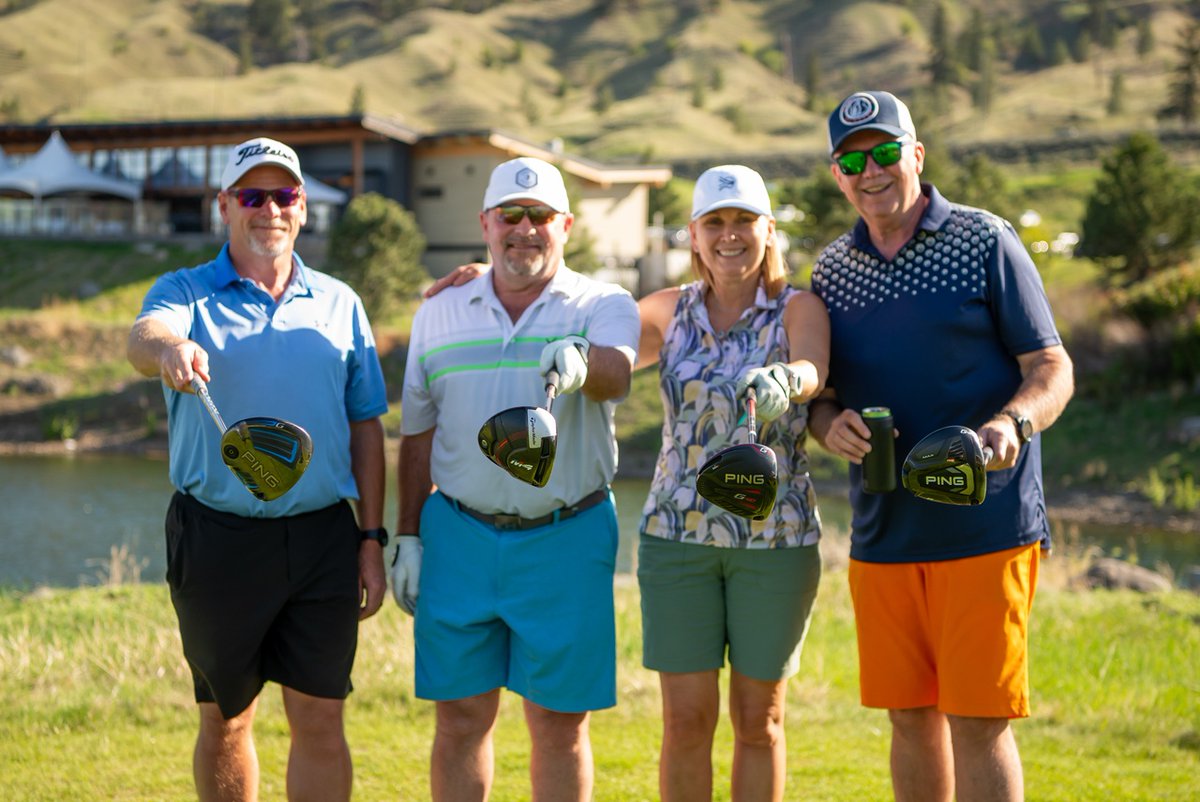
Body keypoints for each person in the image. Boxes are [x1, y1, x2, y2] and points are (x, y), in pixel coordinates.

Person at [807, 91, 1075, 802]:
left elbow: (1051, 367)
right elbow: (820, 394)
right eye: (853, 158)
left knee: (979, 720)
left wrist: (1012, 425)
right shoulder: (832, 269)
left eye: (886, 152)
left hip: (985, 522)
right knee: (908, 717)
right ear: (838, 174)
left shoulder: (985, 239)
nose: (872, 170)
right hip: (884, 528)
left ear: (916, 156)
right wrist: (825, 422)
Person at [127, 137, 389, 802]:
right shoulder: (186, 290)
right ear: (225, 206)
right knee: (225, 718)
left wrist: (370, 539)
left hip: (324, 536)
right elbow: (144, 334)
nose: (269, 208)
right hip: (216, 536)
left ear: (303, 209)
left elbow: (367, 425)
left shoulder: (340, 303)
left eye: (284, 195)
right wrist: (171, 349)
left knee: (322, 717)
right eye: (253, 195)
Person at [391, 156, 639, 801]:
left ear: (566, 226)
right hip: (459, 537)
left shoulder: (601, 302)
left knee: (558, 723)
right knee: (461, 719)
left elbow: (619, 372)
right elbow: (417, 433)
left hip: (567, 535)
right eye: (510, 216)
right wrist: (408, 536)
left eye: (539, 217)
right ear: (485, 223)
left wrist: (582, 361)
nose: (523, 230)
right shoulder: (438, 312)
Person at [635, 165, 829, 802]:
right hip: (675, 536)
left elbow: (811, 368)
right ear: (693, 234)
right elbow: (594, 333)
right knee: (686, 720)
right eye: (714, 222)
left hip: (775, 541)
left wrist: (788, 381)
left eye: (744, 220)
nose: (729, 235)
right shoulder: (667, 309)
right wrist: (483, 275)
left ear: (768, 229)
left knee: (759, 721)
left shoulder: (799, 308)